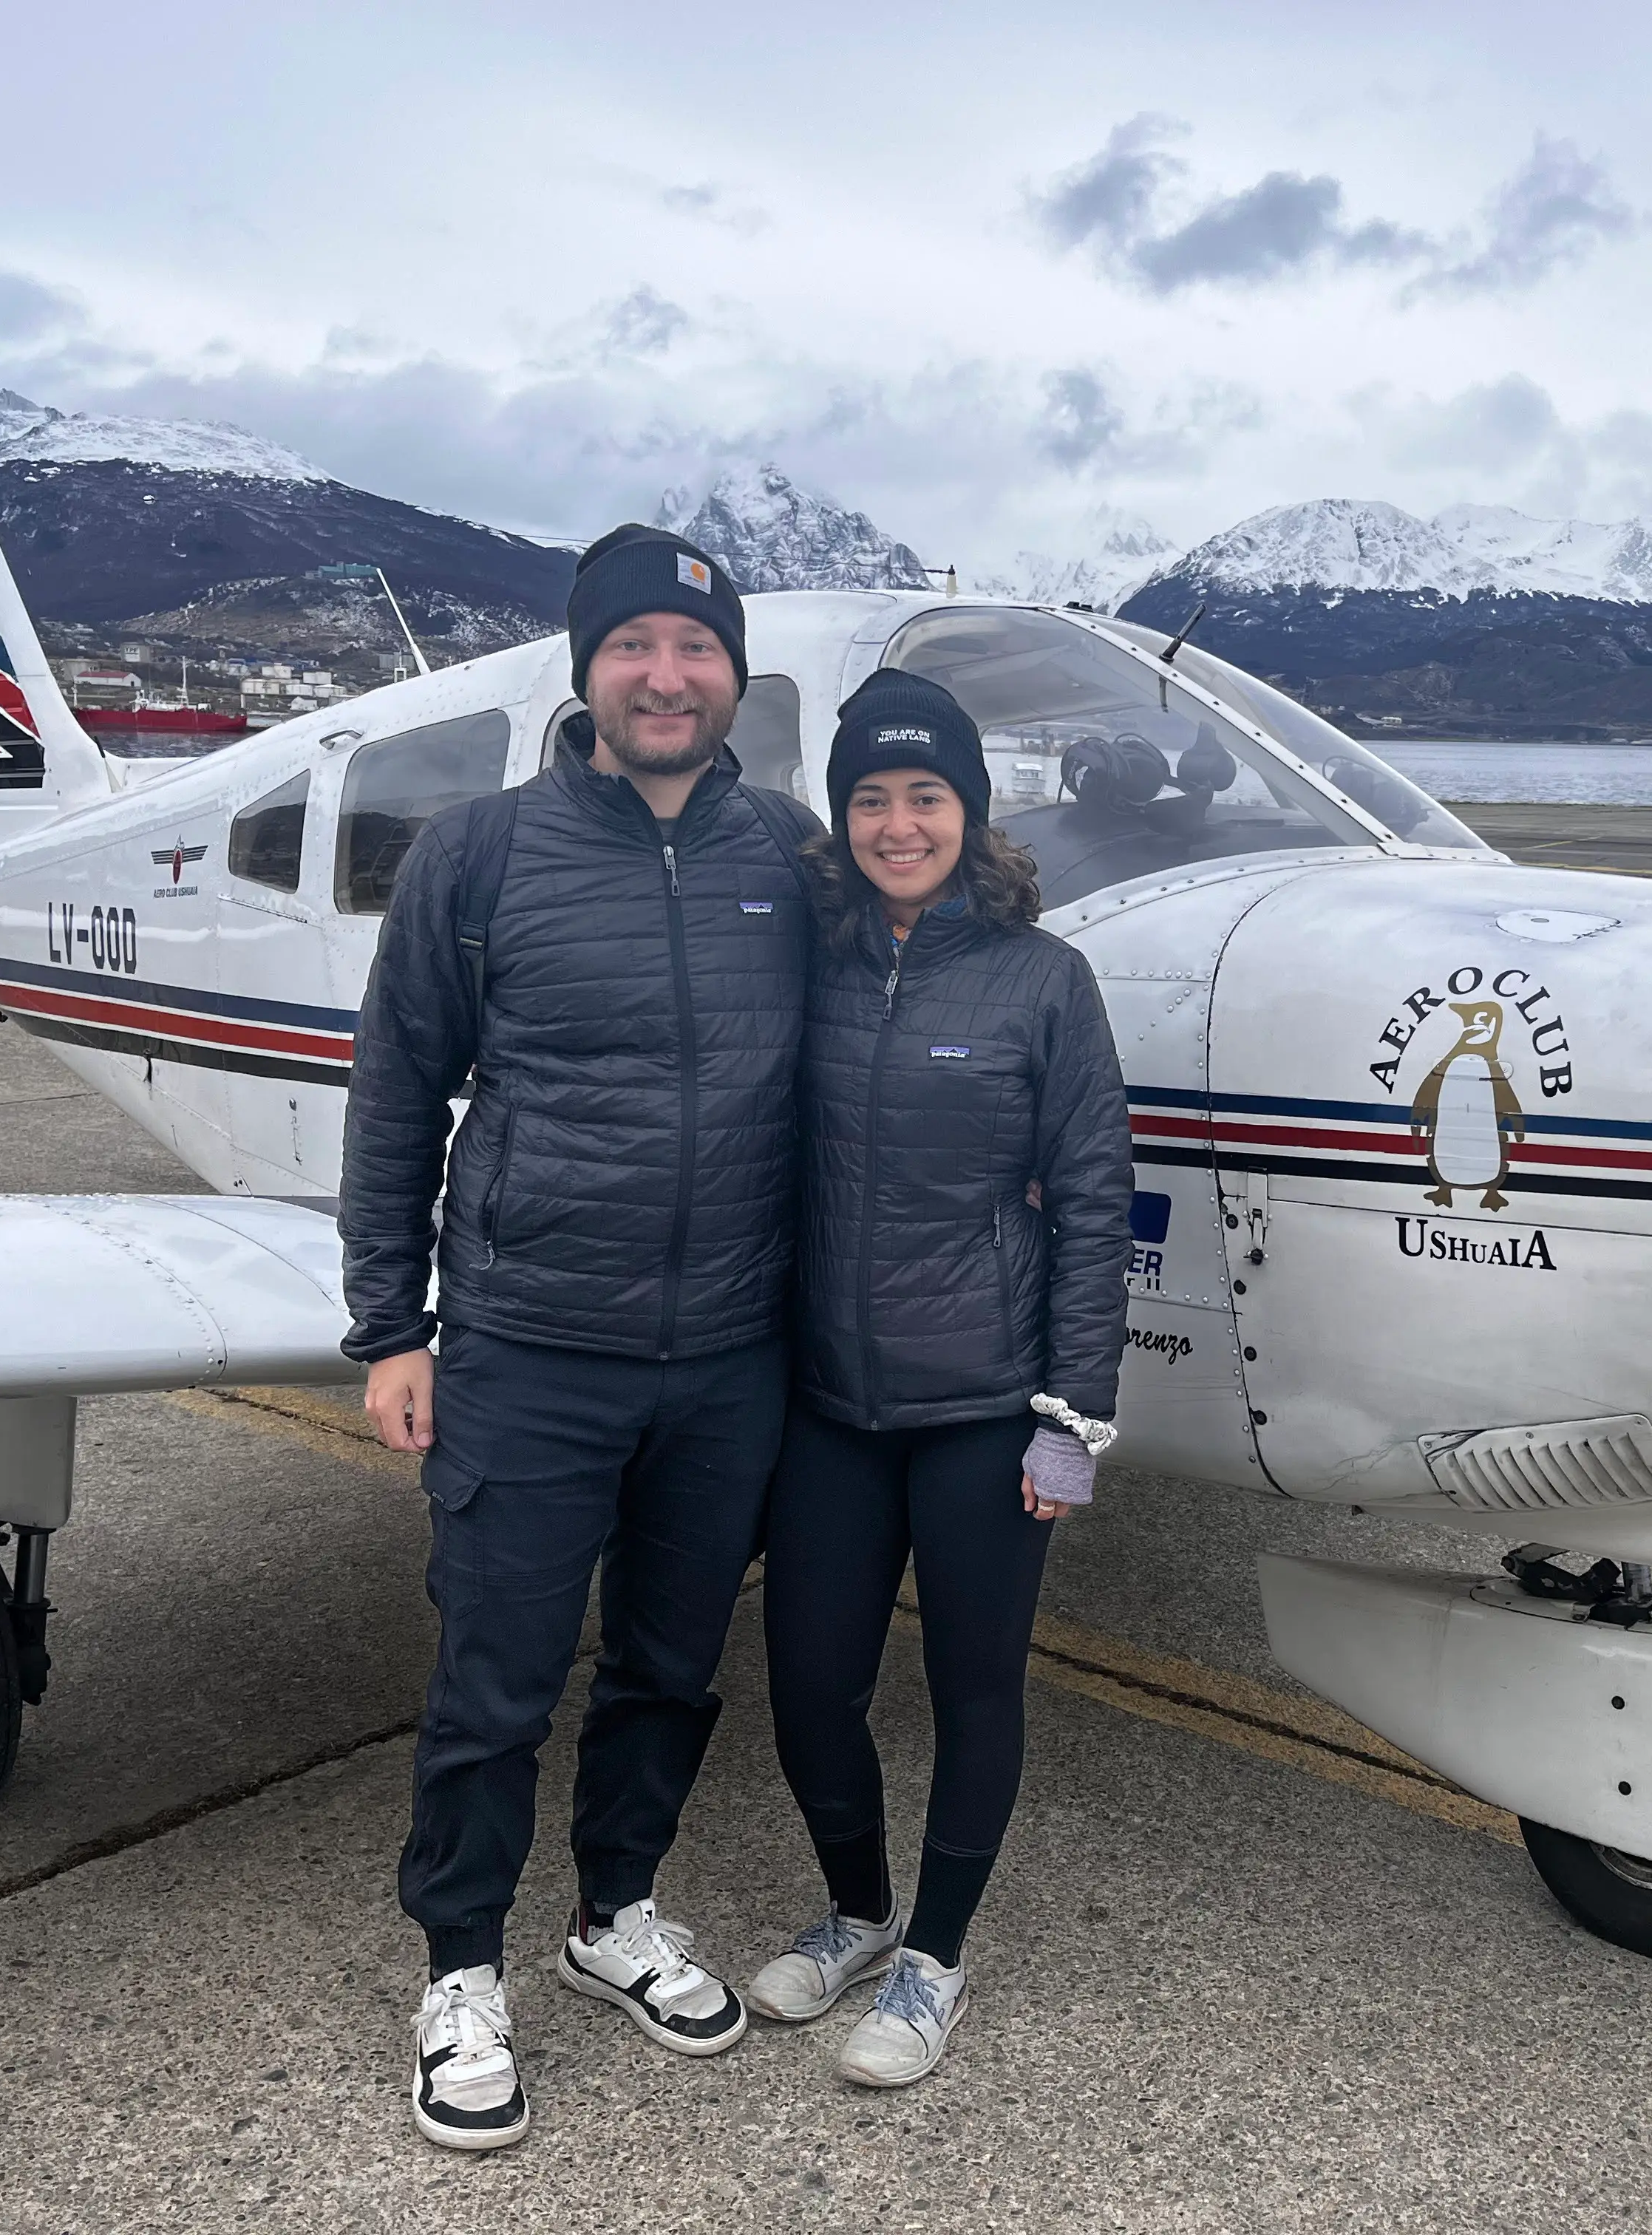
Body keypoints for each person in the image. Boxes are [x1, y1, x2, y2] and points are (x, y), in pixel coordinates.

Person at [339, 525, 822, 2152]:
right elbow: (398, 1093)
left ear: (734, 676)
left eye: (695, 650)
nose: (665, 676)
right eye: (633, 647)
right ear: (585, 669)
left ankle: (616, 1908)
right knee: (498, 1677)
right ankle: (460, 1967)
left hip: (731, 1355)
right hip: (533, 1345)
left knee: (674, 1666)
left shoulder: (796, 858)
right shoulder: (479, 858)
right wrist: (387, 1328)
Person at [741, 667, 1133, 2088]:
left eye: (927, 797)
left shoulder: (1044, 981)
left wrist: (1071, 1415)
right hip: (827, 1406)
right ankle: (855, 1912)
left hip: (982, 1406)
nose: (898, 824)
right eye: (870, 798)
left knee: (975, 1692)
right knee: (808, 1687)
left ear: (972, 816)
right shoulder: (806, 960)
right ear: (839, 819)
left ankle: (934, 1961)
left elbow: (1095, 1204)